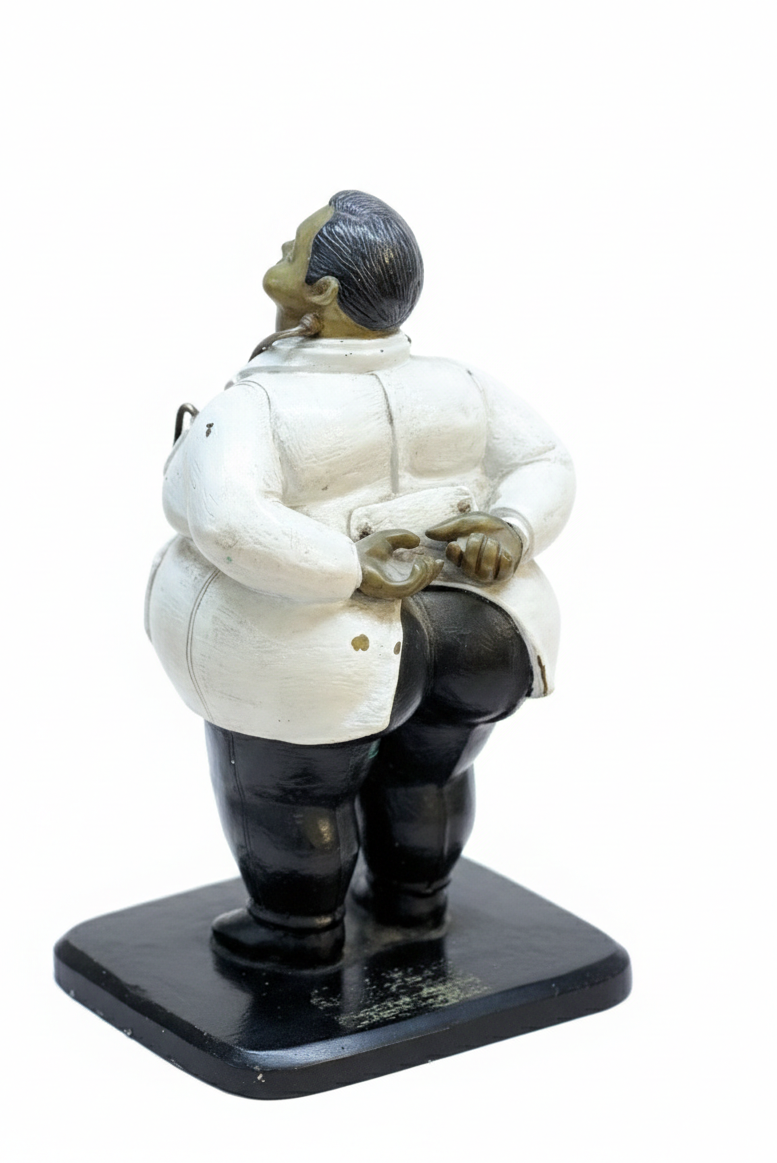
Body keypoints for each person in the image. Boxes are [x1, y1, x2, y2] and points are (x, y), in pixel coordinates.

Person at [145, 191, 575, 966]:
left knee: (288, 792)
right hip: (482, 627)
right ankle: (416, 902)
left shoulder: (259, 403)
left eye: (293, 249)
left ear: (322, 292)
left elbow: (227, 519)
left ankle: (296, 932)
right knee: (428, 775)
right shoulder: (459, 382)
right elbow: (544, 459)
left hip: (318, 646)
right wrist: (511, 527)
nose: (280, 252)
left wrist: (346, 566)